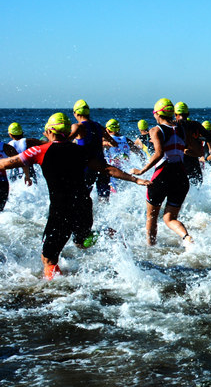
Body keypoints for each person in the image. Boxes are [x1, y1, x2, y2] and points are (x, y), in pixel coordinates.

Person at [0, 113, 149, 279]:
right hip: (83, 205)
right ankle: (106, 234)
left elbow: (5, 164)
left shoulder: (39, 151)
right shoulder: (80, 151)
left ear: (49, 131)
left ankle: (55, 289)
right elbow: (106, 168)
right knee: (81, 241)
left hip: (60, 210)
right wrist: (135, 179)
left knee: (48, 258)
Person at [129, 98, 196, 247]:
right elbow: (193, 149)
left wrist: (142, 170)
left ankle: (151, 249)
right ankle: (186, 237)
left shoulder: (155, 130)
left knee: (151, 218)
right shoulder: (182, 129)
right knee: (169, 218)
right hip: (181, 176)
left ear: (157, 114)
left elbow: (159, 153)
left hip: (162, 175)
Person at [67, 99, 116, 202]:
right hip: (102, 166)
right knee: (104, 201)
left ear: (76, 113)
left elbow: (66, 140)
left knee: (80, 199)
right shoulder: (99, 126)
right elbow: (114, 143)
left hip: (87, 168)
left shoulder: (78, 126)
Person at [174, 102, 211, 185]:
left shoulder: (173, 126)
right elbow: (210, 137)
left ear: (175, 114)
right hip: (193, 159)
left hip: (178, 161)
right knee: (197, 185)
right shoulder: (195, 125)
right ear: (188, 113)